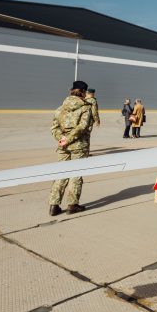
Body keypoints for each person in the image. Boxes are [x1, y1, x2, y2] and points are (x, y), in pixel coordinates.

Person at [49, 80, 93, 216]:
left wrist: (62, 140)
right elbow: (82, 127)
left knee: (61, 173)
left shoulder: (60, 108)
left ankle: (54, 205)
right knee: (75, 174)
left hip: (63, 146)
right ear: (83, 92)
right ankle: (72, 205)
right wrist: (69, 139)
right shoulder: (85, 108)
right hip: (79, 146)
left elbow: (54, 128)